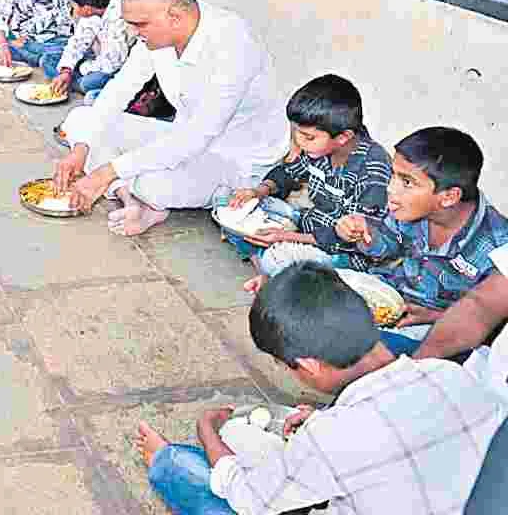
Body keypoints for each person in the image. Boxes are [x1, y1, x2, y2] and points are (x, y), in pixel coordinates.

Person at [135, 261, 506, 515]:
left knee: (191, 471)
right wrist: (325, 421)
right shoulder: (450, 374)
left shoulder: (332, 438)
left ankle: (166, 463)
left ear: (309, 364)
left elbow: (250, 498)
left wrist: (207, 431)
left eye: (286, 365)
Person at [53, 0, 290, 237]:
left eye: (139, 24)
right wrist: (81, 149)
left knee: (151, 182)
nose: (132, 32)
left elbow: (197, 136)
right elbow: (118, 91)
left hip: (234, 161)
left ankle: (140, 196)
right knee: (81, 121)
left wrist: (106, 172)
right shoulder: (156, 38)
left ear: (174, 17)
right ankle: (134, 203)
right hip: (180, 140)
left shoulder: (233, 42)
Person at [334, 127, 508, 356]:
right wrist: (362, 234)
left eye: (406, 182)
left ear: (448, 197)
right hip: (389, 297)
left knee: (352, 348)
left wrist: (438, 317)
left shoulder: (498, 247)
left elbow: (490, 326)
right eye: (393, 175)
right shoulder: (409, 208)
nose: (390, 189)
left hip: (437, 335)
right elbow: (386, 246)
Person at [219, 75, 392, 291]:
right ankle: (272, 268)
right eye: (297, 133)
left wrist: (286, 237)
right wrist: (258, 192)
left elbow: (355, 237)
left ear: (343, 137)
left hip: (342, 253)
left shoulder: (372, 168)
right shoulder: (320, 147)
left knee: (279, 258)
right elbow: (289, 172)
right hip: (306, 224)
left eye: (308, 137)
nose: (300, 142)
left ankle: (270, 268)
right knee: (229, 203)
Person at [45, 0, 131, 101]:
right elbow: (77, 42)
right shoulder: (92, 12)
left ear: (86, 8)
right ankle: (74, 83)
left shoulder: (119, 19)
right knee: (48, 60)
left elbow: (112, 63)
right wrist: (66, 70)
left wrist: (81, 67)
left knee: (90, 82)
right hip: (95, 60)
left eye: (72, 5)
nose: (72, 8)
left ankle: (79, 85)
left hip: (114, 68)